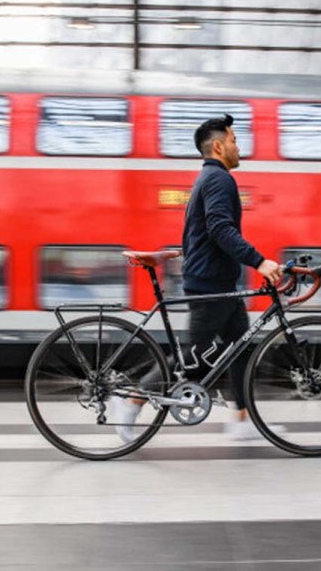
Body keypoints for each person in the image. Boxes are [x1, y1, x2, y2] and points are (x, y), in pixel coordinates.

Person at [111, 113, 281, 442]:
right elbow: (219, 229)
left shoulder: (208, 178)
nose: (238, 146)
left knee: (239, 349)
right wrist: (258, 261)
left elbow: (203, 230)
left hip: (219, 282)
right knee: (194, 357)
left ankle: (242, 421)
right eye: (234, 140)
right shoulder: (220, 180)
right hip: (211, 284)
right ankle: (130, 400)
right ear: (218, 146)